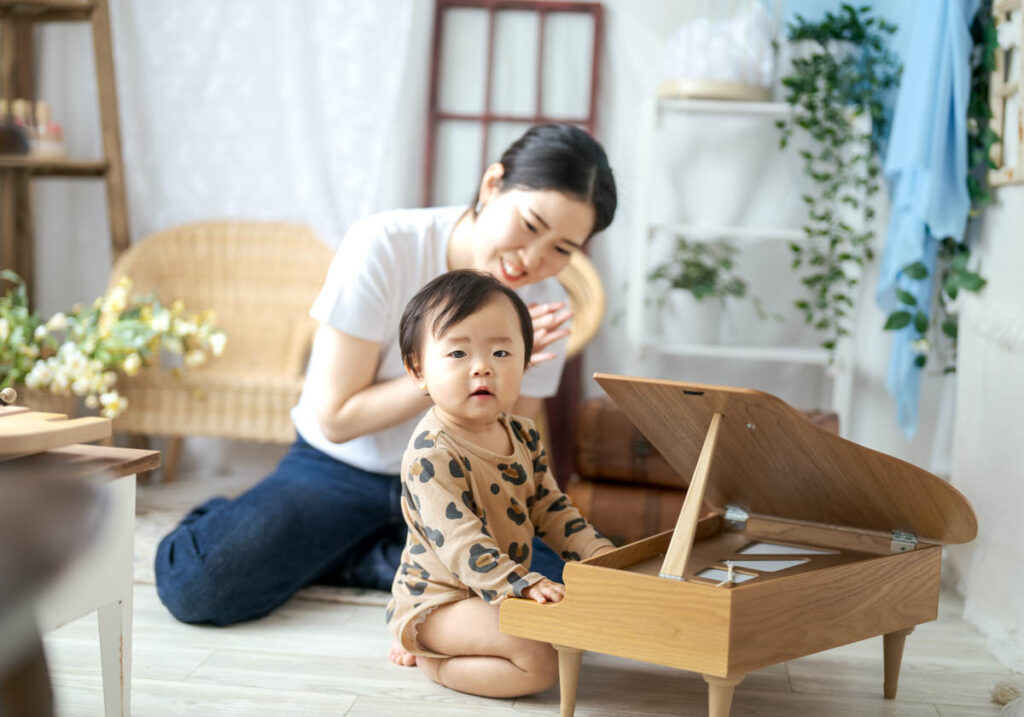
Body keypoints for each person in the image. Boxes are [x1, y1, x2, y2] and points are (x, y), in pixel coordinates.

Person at [155, 123, 617, 626]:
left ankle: (362, 557)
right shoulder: (385, 244)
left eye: (563, 250)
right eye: (529, 225)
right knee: (200, 585)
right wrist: (457, 370)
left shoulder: (546, 303)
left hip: (462, 483)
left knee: (557, 597)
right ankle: (371, 553)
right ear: (492, 186)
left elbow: (515, 440)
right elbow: (335, 419)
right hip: (339, 470)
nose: (533, 260)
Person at [386, 270, 614, 695]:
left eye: (502, 353)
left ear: (526, 362)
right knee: (541, 666)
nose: (482, 369)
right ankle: (433, 662)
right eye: (457, 353)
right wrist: (521, 583)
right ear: (418, 370)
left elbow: (551, 507)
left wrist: (596, 552)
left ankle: (466, 642)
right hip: (441, 602)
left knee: (574, 636)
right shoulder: (432, 453)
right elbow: (461, 542)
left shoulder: (523, 434)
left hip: (492, 590)